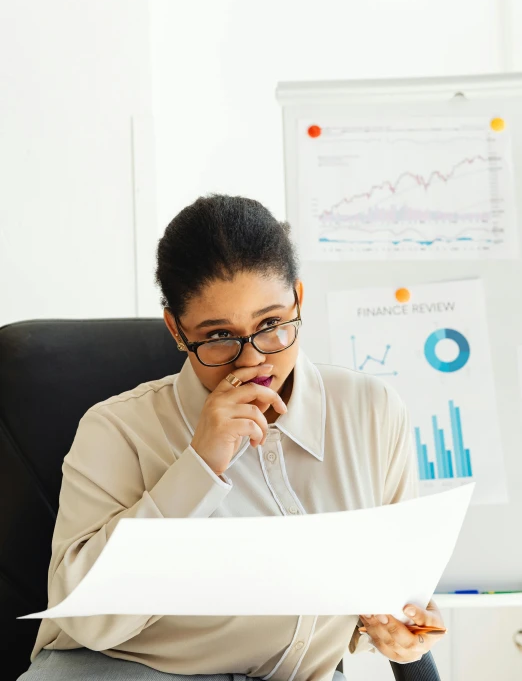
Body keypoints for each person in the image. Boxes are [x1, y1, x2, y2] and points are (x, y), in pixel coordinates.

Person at [18, 194, 446, 681]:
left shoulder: (371, 411)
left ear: (299, 301)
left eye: (271, 325)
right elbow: (85, 620)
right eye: (219, 335)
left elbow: (396, 587)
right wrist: (199, 466)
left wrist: (399, 629)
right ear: (177, 331)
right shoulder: (116, 430)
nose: (252, 361)